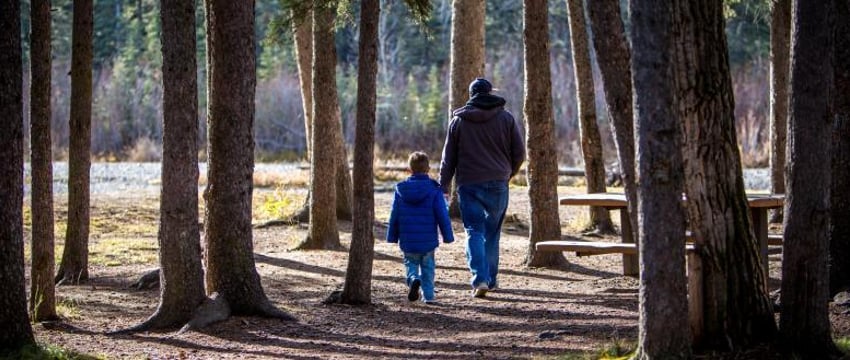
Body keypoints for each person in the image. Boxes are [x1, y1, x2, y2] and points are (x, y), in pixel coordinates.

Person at [439, 78, 526, 298]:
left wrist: (444, 185)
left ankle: (480, 279)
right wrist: (508, 173)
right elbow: (519, 153)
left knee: (474, 231)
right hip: (498, 182)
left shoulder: (458, 122)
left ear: (471, 95)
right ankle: (491, 279)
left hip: (468, 184)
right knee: (492, 233)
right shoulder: (506, 119)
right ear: (489, 93)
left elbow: (448, 159)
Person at [387, 151, 455, 304]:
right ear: (428, 169)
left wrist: (392, 236)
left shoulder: (401, 190)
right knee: (428, 267)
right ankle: (429, 296)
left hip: (408, 239)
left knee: (410, 263)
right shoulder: (434, 190)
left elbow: (394, 214)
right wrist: (448, 236)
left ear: (409, 170)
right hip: (428, 240)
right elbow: (442, 215)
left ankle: (413, 280)